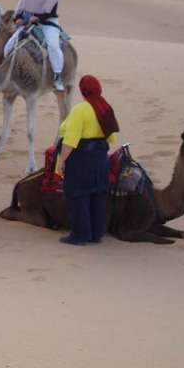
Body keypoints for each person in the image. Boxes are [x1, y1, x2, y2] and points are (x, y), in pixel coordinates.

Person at [56, 75, 119, 245]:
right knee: (97, 194)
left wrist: (61, 162)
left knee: (77, 196)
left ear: (83, 90)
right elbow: (111, 138)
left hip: (81, 159)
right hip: (100, 159)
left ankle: (80, 235)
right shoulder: (104, 107)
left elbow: (70, 141)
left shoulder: (80, 110)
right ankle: (97, 233)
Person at [3, 0, 65, 91]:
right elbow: (20, 7)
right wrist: (18, 18)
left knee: (53, 46)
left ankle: (58, 76)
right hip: (29, 21)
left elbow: (49, 12)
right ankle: (8, 73)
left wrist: (36, 18)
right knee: (9, 45)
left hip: (47, 23)